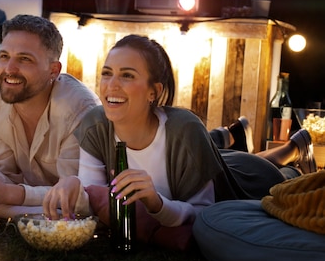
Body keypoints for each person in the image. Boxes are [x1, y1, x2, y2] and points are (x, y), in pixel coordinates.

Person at [42, 34, 315, 248]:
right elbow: (97, 199)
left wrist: (155, 202)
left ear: (154, 91)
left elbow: (201, 212)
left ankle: (293, 150)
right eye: (107, 73)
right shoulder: (94, 124)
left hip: (245, 182)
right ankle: (238, 137)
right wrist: (73, 185)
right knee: (221, 153)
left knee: (275, 172)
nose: (111, 85)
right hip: (208, 160)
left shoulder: (184, 129)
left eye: (127, 75)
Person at [0, 14, 101, 218]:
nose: (9, 69)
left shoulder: (79, 112)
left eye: (24, 59)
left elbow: (78, 198)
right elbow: (5, 179)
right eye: (4, 56)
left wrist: (12, 194)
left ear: (53, 70)